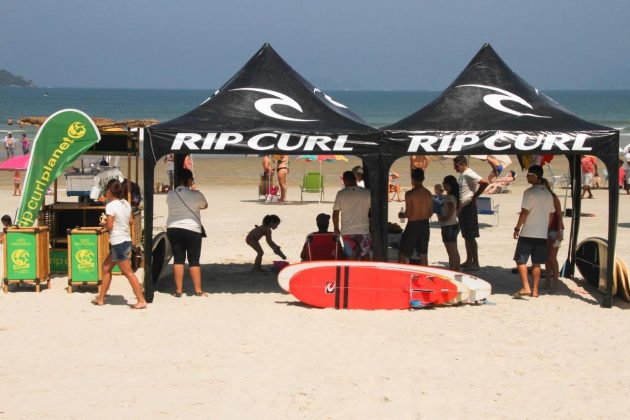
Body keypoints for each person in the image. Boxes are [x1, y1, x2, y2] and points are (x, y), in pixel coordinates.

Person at [92, 179, 147, 309]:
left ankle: (141, 300)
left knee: (128, 272)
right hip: (126, 240)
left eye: (106, 190)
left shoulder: (110, 205)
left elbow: (110, 226)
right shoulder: (126, 203)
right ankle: (100, 298)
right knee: (106, 268)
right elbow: (131, 221)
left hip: (118, 242)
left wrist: (104, 225)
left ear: (111, 191)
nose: (105, 192)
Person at [512, 165, 555, 298]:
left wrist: (517, 228)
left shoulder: (529, 192)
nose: (527, 177)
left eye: (529, 175)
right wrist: (545, 228)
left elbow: (524, 212)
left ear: (536, 176)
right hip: (541, 234)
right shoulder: (548, 193)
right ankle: (535, 290)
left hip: (528, 232)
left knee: (521, 260)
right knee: (537, 262)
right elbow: (551, 214)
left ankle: (526, 286)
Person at [166, 168, 208, 297]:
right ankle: (198, 290)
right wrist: (193, 189)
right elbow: (205, 205)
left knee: (178, 258)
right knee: (194, 260)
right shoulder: (196, 194)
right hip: (191, 229)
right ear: (190, 180)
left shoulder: (170, 194)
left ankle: (178, 290)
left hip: (173, 227)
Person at [454, 155, 489, 271]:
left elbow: (484, 182)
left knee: (470, 236)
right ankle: (469, 260)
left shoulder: (469, 173)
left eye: (456, 165)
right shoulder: (463, 175)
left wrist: (476, 196)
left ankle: (476, 262)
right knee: (466, 236)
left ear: (462, 164)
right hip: (463, 207)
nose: (455, 168)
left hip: (468, 207)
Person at [333, 171, 372, 260]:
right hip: (363, 230)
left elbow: (335, 213)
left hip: (347, 231)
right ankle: (366, 274)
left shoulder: (341, 194)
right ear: (355, 179)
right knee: (365, 256)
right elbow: (372, 212)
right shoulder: (367, 192)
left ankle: (352, 274)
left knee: (350, 257)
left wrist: (336, 228)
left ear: (345, 181)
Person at [398, 168, 433, 265]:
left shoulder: (410, 194)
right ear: (423, 178)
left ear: (412, 179)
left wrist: (401, 215)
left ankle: (402, 275)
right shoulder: (428, 193)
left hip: (413, 225)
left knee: (402, 253)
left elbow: (408, 213)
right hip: (425, 225)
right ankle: (425, 276)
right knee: (423, 254)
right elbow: (430, 213)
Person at [541, 178, 565, 292]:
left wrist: (560, 232)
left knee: (552, 257)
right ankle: (547, 281)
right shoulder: (541, 199)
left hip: (556, 230)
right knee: (546, 257)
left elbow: (560, 215)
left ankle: (555, 282)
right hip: (545, 230)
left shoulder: (553, 198)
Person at [437, 175, 461, 270]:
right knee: (454, 250)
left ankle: (453, 269)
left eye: (444, 183)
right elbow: (458, 209)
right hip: (453, 224)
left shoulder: (450, 197)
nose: (443, 185)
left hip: (448, 226)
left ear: (448, 184)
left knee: (451, 252)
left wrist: (444, 219)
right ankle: (456, 269)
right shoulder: (454, 196)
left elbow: (451, 210)